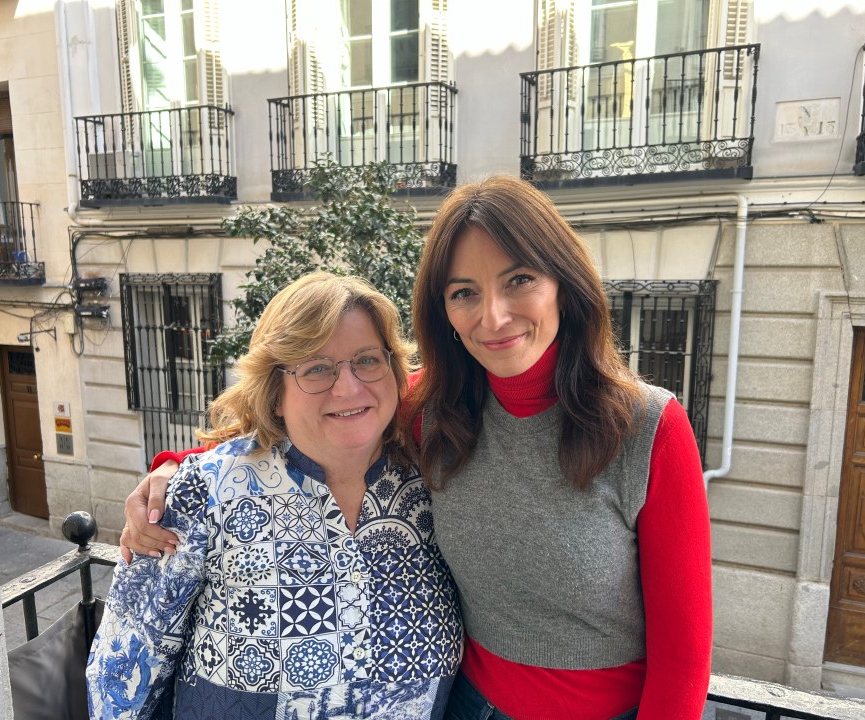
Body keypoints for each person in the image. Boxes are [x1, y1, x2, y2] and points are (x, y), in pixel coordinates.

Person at [123, 176, 713, 719]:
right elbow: (306, 414)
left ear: (565, 283)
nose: (494, 315)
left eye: (520, 280)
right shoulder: (435, 408)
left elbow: (683, 663)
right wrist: (175, 472)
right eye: (464, 293)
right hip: (464, 706)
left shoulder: (646, 426)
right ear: (444, 312)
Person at [88, 272, 463, 719]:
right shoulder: (206, 491)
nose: (348, 387)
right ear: (275, 393)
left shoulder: (435, 480)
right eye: (316, 368)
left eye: (367, 360)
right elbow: (122, 675)